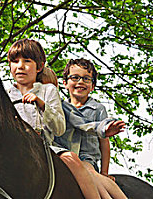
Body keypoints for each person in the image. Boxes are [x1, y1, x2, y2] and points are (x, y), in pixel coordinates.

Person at [6, 39, 103, 199]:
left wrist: (41, 104)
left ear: (39, 66)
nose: (20, 66)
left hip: (45, 146)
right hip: (14, 148)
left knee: (71, 158)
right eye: (15, 61)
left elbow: (59, 128)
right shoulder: (5, 94)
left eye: (27, 61)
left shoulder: (47, 90)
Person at [55, 58, 127, 198]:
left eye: (86, 79)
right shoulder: (61, 108)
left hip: (86, 158)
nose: (80, 82)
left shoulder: (97, 109)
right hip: (66, 155)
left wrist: (104, 172)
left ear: (92, 86)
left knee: (91, 174)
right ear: (65, 83)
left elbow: (104, 142)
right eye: (75, 77)